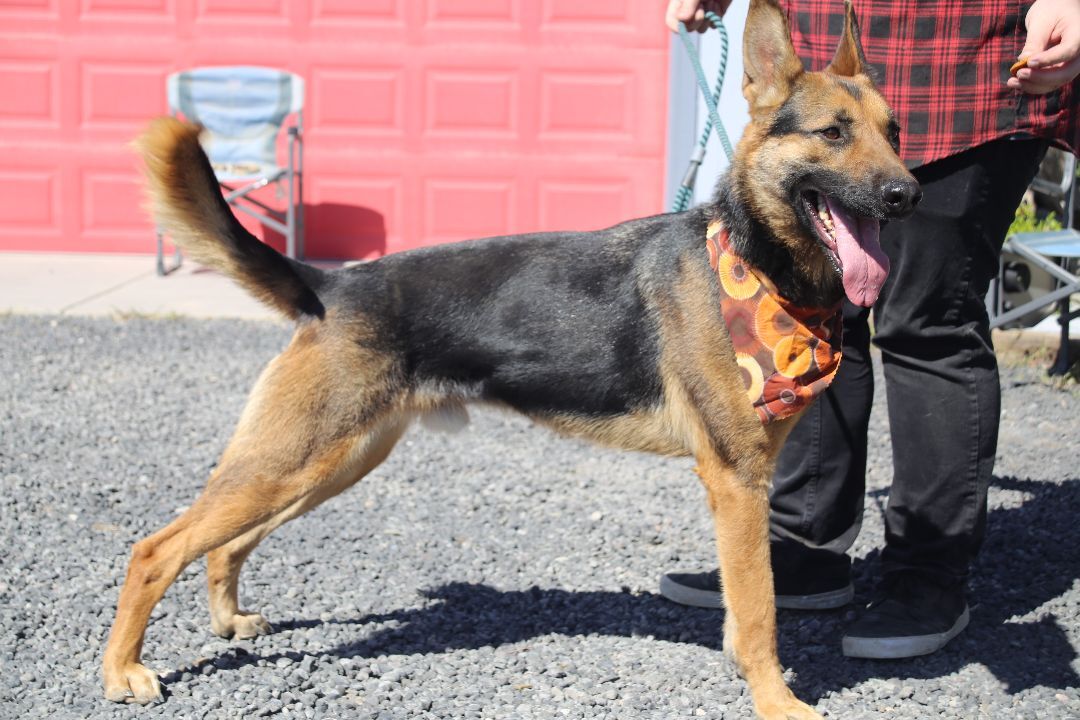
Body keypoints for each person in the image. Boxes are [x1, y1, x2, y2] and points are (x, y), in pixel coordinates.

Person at [660, 0, 1080, 659]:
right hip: (826, 36)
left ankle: (928, 574)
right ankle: (806, 548)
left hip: (962, 63)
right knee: (823, 321)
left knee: (928, 325)